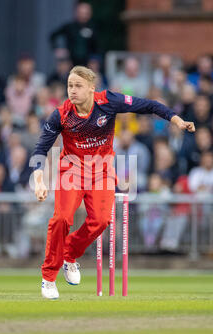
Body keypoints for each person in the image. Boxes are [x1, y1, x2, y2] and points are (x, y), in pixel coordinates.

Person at [31, 65, 195, 299]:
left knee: (100, 221)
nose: (72, 91)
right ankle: (48, 278)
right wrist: (38, 180)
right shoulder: (61, 114)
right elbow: (40, 149)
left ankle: (68, 254)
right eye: (70, 86)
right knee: (61, 219)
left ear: (91, 88)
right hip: (72, 171)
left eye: (78, 86)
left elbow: (149, 105)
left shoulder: (108, 101)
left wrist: (176, 120)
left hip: (102, 171)